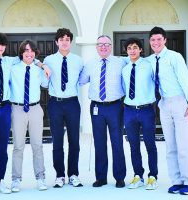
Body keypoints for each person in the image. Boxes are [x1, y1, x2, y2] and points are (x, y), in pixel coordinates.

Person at [0, 32, 49, 197]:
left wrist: (42, 65)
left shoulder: (9, 62)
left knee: (3, 149)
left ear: (5, 47)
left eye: (2, 44)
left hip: (6, 109)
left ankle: (0, 181)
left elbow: (30, 58)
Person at [146, 26, 188, 195]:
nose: (156, 42)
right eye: (153, 40)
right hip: (164, 104)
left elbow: (185, 80)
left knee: (183, 146)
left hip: (180, 103)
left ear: (165, 40)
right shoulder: (149, 61)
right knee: (170, 146)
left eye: (159, 39)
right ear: (150, 42)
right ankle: (176, 181)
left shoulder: (175, 57)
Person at [79, 35, 127, 188]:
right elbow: (81, 80)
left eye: (107, 44)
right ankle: (101, 177)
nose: (104, 47)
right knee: (99, 142)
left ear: (111, 46)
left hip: (115, 107)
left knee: (117, 142)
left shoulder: (121, 62)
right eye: (100, 44)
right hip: (97, 107)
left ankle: (119, 177)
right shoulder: (90, 64)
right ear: (96, 47)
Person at [43, 28, 83, 188]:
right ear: (56, 42)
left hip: (72, 103)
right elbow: (44, 83)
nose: (65, 41)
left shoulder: (78, 60)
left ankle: (73, 174)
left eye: (67, 39)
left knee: (74, 141)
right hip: (55, 104)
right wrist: (42, 66)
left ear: (70, 42)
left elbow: (83, 79)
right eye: (62, 39)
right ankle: (60, 175)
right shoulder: (49, 59)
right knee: (57, 141)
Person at [9, 40, 49, 192]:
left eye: (32, 50)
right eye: (26, 50)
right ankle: (16, 179)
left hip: (35, 109)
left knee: (37, 146)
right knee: (18, 146)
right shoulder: (13, 68)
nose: (29, 53)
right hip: (18, 109)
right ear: (21, 52)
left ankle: (40, 178)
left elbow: (45, 84)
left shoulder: (39, 70)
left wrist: (43, 66)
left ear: (35, 53)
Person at [122, 37, 158, 190]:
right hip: (129, 111)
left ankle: (153, 176)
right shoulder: (125, 69)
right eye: (129, 48)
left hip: (146, 110)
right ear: (126, 51)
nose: (132, 50)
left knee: (150, 144)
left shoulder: (149, 65)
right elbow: (124, 88)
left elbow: (157, 83)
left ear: (141, 49)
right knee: (134, 146)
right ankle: (138, 175)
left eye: (135, 47)